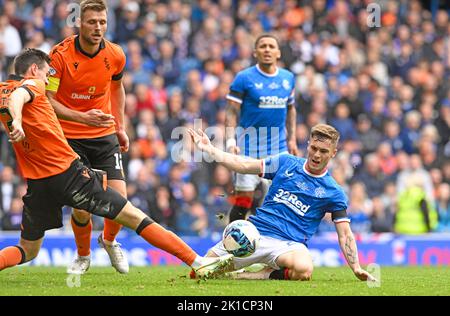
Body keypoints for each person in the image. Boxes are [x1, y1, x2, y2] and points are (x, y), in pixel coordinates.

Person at [0, 48, 233, 280]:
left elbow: (14, 97)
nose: (48, 78)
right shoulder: (34, 85)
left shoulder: (2, 91)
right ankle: (198, 262)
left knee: (28, 250)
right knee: (134, 216)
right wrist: (18, 121)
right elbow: (21, 94)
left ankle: (91, 251)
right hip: (69, 175)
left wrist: (16, 120)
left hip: (38, 184)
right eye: (45, 73)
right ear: (33, 70)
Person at [189, 124, 376, 281]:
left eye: (323, 151)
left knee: (304, 269)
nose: (317, 155)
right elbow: (244, 165)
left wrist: (356, 267)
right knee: (199, 272)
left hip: (289, 246)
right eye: (314, 148)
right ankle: (242, 265)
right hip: (254, 234)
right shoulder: (286, 162)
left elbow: (345, 235)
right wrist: (209, 149)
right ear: (309, 144)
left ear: (333, 153)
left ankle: (259, 275)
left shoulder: (334, 192)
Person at [45, 0, 129, 274]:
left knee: (120, 200)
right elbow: (49, 100)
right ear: (79, 23)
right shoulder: (59, 56)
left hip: (104, 133)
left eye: (102, 22)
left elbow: (117, 89)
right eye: (92, 22)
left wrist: (120, 126)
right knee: (82, 207)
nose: (98, 27)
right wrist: (83, 118)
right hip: (70, 136)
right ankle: (83, 255)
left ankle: (109, 240)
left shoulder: (116, 55)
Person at [224, 34, 299, 223]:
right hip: (248, 149)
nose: (267, 49)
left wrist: (292, 139)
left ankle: (273, 245)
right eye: (263, 46)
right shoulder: (244, 78)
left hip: (278, 150)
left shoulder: (288, 78)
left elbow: (291, 109)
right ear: (255, 52)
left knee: (277, 202)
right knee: (243, 202)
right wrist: (231, 141)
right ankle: (231, 244)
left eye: (271, 46)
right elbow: (231, 111)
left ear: (278, 52)